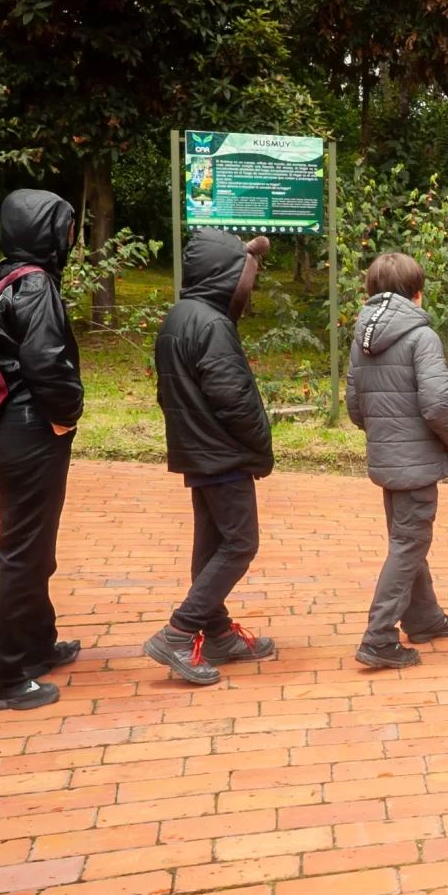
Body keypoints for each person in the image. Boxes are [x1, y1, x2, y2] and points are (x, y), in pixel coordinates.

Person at [0, 189, 85, 712]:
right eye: (66, 228)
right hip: (29, 430)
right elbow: (48, 364)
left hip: (3, 429)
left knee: (33, 547)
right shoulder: (35, 284)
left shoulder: (0, 276)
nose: (70, 238)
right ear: (47, 231)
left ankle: (36, 645)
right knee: (21, 554)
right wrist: (68, 414)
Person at [147, 230, 279, 685]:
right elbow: (235, 398)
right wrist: (261, 448)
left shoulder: (180, 316)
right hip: (222, 454)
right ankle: (180, 632)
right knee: (240, 543)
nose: (249, 286)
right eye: (246, 277)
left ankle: (218, 632)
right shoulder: (212, 324)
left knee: (211, 545)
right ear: (225, 275)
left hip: (197, 451)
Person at [345, 252, 448, 670]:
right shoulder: (422, 337)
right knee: (408, 543)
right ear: (417, 293)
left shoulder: (361, 336)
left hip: (388, 457)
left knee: (407, 539)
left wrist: (385, 434)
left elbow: (354, 405)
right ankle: (378, 638)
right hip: (416, 460)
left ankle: (424, 618)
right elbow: (438, 403)